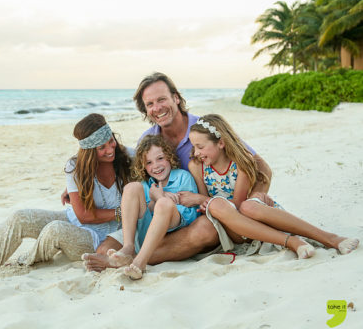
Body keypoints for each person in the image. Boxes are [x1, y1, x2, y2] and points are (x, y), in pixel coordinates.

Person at [81, 72, 273, 272]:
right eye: (150, 104)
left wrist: (255, 199)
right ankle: (127, 256)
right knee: (105, 249)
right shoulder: (148, 140)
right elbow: (134, 176)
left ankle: (136, 260)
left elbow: (260, 167)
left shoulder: (204, 130)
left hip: (203, 213)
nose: (157, 108)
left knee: (204, 230)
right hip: (160, 216)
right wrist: (81, 181)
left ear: (176, 98)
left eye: (162, 99)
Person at [0, 113, 132, 281]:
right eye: (102, 148)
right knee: (21, 217)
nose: (110, 149)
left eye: (111, 141)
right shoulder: (75, 167)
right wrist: (120, 212)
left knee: (54, 230)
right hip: (76, 220)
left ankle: (26, 260)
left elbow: (154, 155)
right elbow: (83, 216)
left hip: (100, 239)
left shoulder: (128, 158)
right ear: (89, 151)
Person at [185, 114, 359, 258]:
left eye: (200, 146)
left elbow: (236, 206)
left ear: (221, 143)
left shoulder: (240, 164)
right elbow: (207, 208)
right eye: (193, 147)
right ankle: (290, 241)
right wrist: (204, 201)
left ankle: (330, 238)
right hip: (231, 229)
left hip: (248, 217)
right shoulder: (197, 166)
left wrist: (202, 199)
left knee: (247, 205)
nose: (196, 153)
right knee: (216, 205)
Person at [108, 135, 200, 279]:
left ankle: (140, 262)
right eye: (149, 162)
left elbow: (191, 214)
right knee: (132, 187)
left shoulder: (183, 177)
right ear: (143, 167)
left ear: (169, 157)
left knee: (163, 203)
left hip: (174, 230)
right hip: (146, 235)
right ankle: (128, 246)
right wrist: (153, 201)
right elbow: (143, 215)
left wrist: (161, 198)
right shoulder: (146, 185)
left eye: (160, 158)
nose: (156, 166)